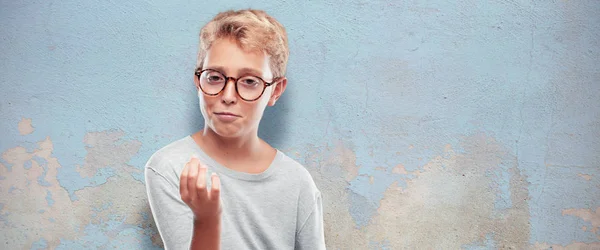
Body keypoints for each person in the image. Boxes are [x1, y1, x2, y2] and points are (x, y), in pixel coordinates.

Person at [144, 9, 326, 250]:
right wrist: (207, 221)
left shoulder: (298, 182)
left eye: (250, 81)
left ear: (275, 91)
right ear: (198, 81)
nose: (228, 96)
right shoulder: (169, 167)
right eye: (215, 77)